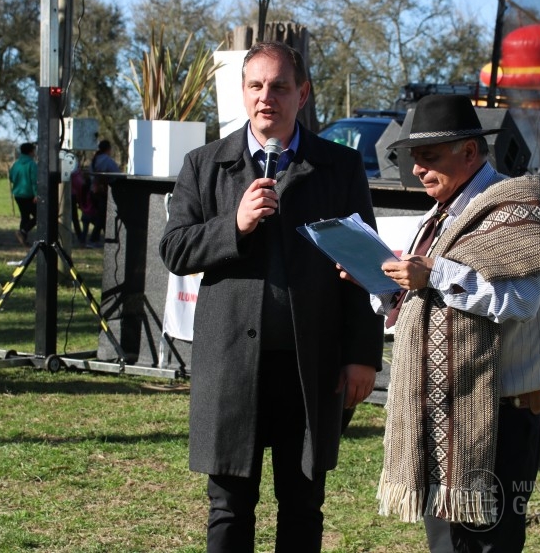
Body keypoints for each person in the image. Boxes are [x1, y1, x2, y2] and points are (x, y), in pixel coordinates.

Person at [160, 41, 384, 552]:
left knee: (303, 506)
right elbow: (174, 249)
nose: (268, 97)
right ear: (242, 93)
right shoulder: (204, 164)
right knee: (229, 508)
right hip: (231, 363)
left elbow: (365, 267)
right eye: (256, 86)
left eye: (280, 86)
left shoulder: (339, 168)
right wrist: (234, 226)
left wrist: (362, 357)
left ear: (302, 94)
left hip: (310, 366)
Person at [341, 95, 540, 553]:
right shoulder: (441, 215)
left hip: (500, 416)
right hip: (442, 410)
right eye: (413, 158)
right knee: (447, 546)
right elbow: (421, 306)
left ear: (469, 152)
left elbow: (519, 301)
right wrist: (380, 280)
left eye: (429, 157)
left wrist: (432, 274)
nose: (416, 169)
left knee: (488, 545)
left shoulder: (520, 206)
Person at [9, 142, 38, 247]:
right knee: (38, 216)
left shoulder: (16, 164)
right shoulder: (32, 164)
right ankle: (23, 232)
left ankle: (23, 239)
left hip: (17, 194)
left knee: (24, 216)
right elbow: (35, 180)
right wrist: (36, 194)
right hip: (29, 195)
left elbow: (11, 177)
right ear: (31, 151)